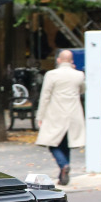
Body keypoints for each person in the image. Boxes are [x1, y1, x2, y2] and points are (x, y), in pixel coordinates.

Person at [34, 49, 86, 186]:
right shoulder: (79, 75)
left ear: (58, 60)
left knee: (52, 143)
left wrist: (40, 116)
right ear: (71, 61)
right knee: (66, 144)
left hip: (55, 113)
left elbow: (45, 96)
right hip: (73, 114)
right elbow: (82, 90)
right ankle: (63, 174)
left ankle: (63, 165)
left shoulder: (51, 75)